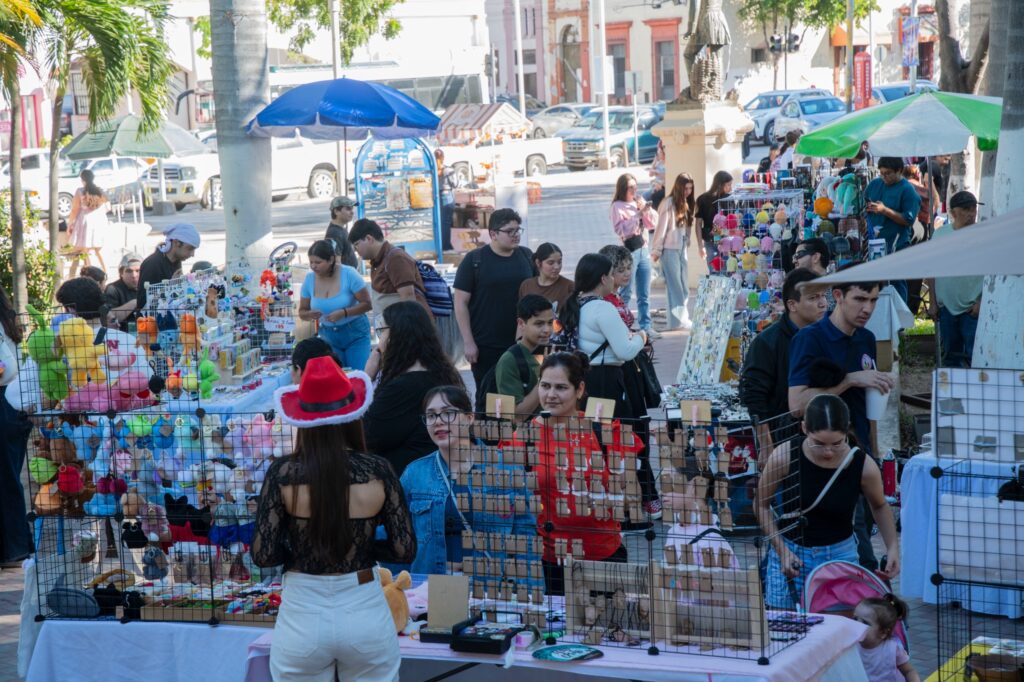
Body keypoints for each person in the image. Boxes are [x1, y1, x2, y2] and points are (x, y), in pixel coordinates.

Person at [253, 354, 415, 680]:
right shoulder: (378, 471)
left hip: (302, 612)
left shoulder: (283, 473)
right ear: (352, 415)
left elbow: (263, 553)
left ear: (303, 419)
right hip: (365, 607)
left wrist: (299, 551)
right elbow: (404, 549)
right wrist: (365, 547)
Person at [756, 394, 900, 609]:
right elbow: (761, 504)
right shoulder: (784, 456)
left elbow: (879, 505)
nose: (828, 452)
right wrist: (782, 551)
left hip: (839, 556)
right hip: (792, 554)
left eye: (837, 443)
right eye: (818, 444)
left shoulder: (862, 464)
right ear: (804, 428)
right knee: (785, 633)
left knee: (839, 631)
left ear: (847, 431)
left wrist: (892, 548)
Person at [789, 280, 895, 570]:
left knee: (863, 531)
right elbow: (797, 404)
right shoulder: (810, 339)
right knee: (853, 549)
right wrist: (849, 379)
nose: (868, 308)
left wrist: (874, 450)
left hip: (859, 454)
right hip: (822, 457)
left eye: (873, 300)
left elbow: (867, 404)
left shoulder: (867, 338)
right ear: (838, 296)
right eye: (860, 298)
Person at [524, 352, 642, 595]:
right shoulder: (523, 438)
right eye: (545, 386)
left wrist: (604, 499)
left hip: (603, 556)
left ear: (580, 390)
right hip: (548, 561)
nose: (551, 395)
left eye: (561, 387)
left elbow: (634, 499)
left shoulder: (607, 433)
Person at [399, 386, 536, 575]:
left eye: (448, 413)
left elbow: (525, 535)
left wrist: (527, 590)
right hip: (430, 586)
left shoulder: (506, 468)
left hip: (489, 587)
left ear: (470, 418)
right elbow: (399, 536)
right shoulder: (415, 473)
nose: (438, 422)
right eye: (431, 416)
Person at [562, 253, 659, 518]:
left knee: (597, 437)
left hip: (588, 380)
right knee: (618, 438)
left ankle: (602, 499)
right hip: (607, 382)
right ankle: (629, 503)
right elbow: (625, 349)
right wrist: (642, 335)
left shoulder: (576, 304)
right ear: (603, 278)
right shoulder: (602, 308)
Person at [362, 301, 465, 477]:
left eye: (382, 331)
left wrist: (366, 378)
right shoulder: (440, 372)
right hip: (436, 469)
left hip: (409, 479)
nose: (379, 343)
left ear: (396, 335)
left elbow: (364, 436)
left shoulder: (405, 386)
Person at [739, 268, 827, 459]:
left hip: (826, 439)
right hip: (783, 440)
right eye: (813, 298)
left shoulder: (828, 335)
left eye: (823, 296)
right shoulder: (767, 342)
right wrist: (766, 444)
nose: (822, 303)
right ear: (792, 305)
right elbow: (753, 396)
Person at [452, 208, 535, 387]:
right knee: (489, 398)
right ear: (493, 234)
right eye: (509, 231)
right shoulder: (474, 260)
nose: (515, 235)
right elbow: (460, 303)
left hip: (522, 343)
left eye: (518, 230)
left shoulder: (527, 256)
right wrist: (468, 342)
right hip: (486, 346)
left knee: (521, 395)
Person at [927, 191, 984, 368]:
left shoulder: (984, 235)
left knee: (976, 356)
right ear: (953, 213)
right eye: (966, 209)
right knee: (950, 358)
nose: (971, 213)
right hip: (946, 308)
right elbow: (931, 269)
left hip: (972, 308)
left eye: (973, 209)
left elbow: (993, 274)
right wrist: (933, 303)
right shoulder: (940, 235)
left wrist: (982, 301)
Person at [298, 239, 372, 371]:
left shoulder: (349, 273)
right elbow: (302, 312)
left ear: (331, 260)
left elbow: (367, 304)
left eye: (318, 262)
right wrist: (309, 314)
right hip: (328, 336)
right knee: (337, 379)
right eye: (311, 262)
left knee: (357, 375)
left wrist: (344, 313)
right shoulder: (309, 279)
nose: (314, 266)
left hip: (355, 333)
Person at [0, 283, 32, 568]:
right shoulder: (7, 321)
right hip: (13, 405)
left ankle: (14, 548)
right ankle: (16, 546)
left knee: (6, 478)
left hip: (5, 404)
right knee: (9, 478)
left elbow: (4, 368)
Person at [348, 218, 433, 318]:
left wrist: (406, 331)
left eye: (356, 244)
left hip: (409, 328)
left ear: (369, 239)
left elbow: (408, 298)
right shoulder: (379, 259)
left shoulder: (396, 258)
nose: (355, 250)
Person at [864, 157, 920, 303]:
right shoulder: (875, 184)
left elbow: (908, 220)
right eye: (881, 173)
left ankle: (900, 321)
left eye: (888, 173)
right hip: (875, 243)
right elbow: (864, 203)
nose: (884, 177)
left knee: (896, 282)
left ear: (899, 171)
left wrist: (885, 210)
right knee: (877, 283)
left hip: (897, 243)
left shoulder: (907, 190)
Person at [610, 173, 657, 335]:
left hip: (644, 249)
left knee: (644, 292)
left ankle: (646, 326)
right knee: (626, 291)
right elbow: (622, 230)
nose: (634, 190)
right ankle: (622, 326)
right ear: (623, 188)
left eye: (635, 187)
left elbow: (652, 224)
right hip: (629, 252)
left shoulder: (639, 202)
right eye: (630, 187)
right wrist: (637, 215)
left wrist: (646, 211)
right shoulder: (617, 206)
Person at [494, 295, 553, 418]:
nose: (547, 329)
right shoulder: (509, 361)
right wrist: (545, 378)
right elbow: (517, 417)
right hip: (523, 435)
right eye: (539, 324)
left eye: (550, 323)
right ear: (521, 324)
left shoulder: (552, 353)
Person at [651, 172, 696, 331]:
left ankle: (681, 319)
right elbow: (661, 228)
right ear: (678, 187)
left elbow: (688, 226)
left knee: (683, 286)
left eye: (690, 188)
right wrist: (657, 249)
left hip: (681, 249)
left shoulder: (686, 203)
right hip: (669, 250)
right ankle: (677, 322)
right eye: (685, 188)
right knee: (675, 287)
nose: (688, 191)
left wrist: (688, 240)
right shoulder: (668, 203)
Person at [855, 594, 920, 682]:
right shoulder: (851, 646)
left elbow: (909, 671)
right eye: (855, 619)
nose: (856, 624)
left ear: (883, 633)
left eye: (865, 623)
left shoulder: (892, 648)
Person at [137, 223, 200, 311]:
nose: (192, 254)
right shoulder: (152, 264)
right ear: (176, 243)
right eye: (190, 249)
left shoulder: (176, 261)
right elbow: (143, 304)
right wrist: (170, 287)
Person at [66, 169, 109, 275]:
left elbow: (74, 209)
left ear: (82, 179)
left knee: (85, 250)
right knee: (99, 250)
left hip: (85, 221)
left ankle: (89, 275)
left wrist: (70, 224)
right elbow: (108, 207)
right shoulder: (100, 191)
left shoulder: (80, 191)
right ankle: (106, 272)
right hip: (100, 221)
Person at [517, 242, 574, 313]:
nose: (557, 267)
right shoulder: (526, 285)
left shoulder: (569, 286)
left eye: (559, 262)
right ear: (538, 263)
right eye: (551, 263)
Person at [695, 170, 733, 267]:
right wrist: (700, 245)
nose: (730, 188)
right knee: (714, 270)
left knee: (727, 270)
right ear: (720, 185)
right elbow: (698, 223)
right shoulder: (702, 199)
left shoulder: (729, 198)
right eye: (728, 185)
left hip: (726, 239)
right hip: (710, 239)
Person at [103, 253, 142, 330]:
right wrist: (135, 303)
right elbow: (109, 317)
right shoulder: (113, 289)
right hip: (123, 335)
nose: (134, 275)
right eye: (129, 271)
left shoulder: (147, 286)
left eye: (138, 271)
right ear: (121, 273)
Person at [325, 196, 360, 268]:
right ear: (336, 211)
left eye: (352, 209)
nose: (352, 212)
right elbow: (336, 263)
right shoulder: (334, 233)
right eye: (348, 209)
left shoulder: (341, 229)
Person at [435, 149, 459, 251]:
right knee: (446, 222)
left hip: (436, 196)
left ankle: (440, 244)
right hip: (447, 196)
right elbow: (455, 184)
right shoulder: (448, 170)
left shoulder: (432, 169)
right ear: (443, 157)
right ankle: (446, 246)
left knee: (440, 222)